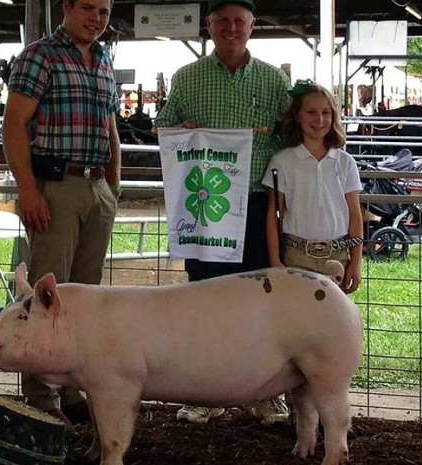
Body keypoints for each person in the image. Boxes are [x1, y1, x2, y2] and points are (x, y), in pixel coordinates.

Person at [154, 0, 291, 425]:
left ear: (252, 26)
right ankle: (204, 392)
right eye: (222, 21)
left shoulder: (274, 82)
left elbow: (291, 137)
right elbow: (162, 127)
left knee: (258, 298)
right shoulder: (186, 78)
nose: (231, 28)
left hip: (256, 207)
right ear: (208, 26)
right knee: (203, 300)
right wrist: (181, 132)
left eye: (239, 21)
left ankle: (264, 392)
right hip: (204, 209)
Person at [2, 0, 121, 430]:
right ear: (66, 6)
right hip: (56, 184)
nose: (97, 18)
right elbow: (14, 124)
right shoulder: (40, 55)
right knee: (47, 290)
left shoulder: (105, 58)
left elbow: (111, 126)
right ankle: (39, 395)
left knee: (83, 295)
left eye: (104, 11)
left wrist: (113, 185)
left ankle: (72, 385)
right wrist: (29, 189)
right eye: (87, 7)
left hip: (95, 187)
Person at [263, 80, 363, 293]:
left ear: (333, 117)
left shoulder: (345, 163)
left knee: (334, 322)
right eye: (311, 112)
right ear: (297, 117)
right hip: (296, 256)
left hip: (338, 256)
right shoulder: (282, 162)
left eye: (326, 113)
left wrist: (356, 261)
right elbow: (274, 215)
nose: (319, 119)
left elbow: (355, 214)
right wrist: (275, 262)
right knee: (295, 320)